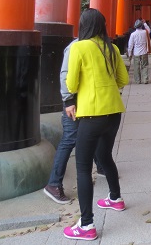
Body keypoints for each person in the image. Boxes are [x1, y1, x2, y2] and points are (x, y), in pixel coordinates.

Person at [62, 8, 129, 241]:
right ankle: (115, 198)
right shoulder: (112, 48)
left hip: (91, 113)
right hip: (114, 111)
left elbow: (70, 83)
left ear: (83, 25)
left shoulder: (79, 47)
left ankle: (87, 224)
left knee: (82, 167)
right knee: (105, 155)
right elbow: (124, 80)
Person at [43, 38, 105, 205]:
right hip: (74, 101)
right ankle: (54, 184)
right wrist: (69, 101)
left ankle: (101, 165)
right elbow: (65, 76)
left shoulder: (93, 44)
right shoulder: (74, 46)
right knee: (70, 138)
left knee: (93, 132)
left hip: (86, 100)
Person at [127, 19, 150, 84]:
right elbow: (149, 30)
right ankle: (145, 79)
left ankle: (138, 80)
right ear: (141, 26)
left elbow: (130, 45)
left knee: (136, 67)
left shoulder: (133, 34)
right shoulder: (145, 32)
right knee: (145, 66)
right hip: (144, 52)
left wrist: (129, 54)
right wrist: (145, 23)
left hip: (136, 53)